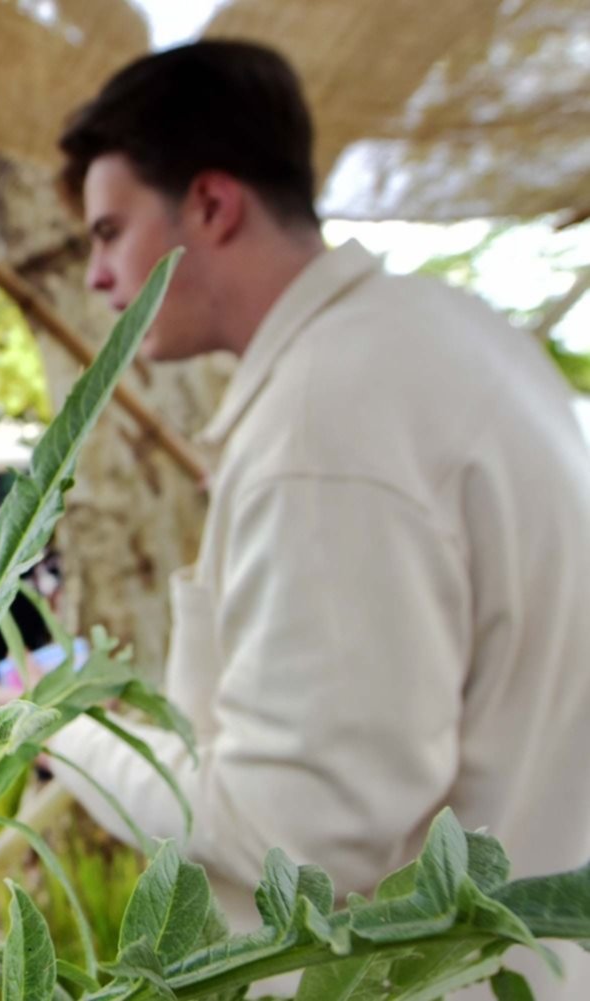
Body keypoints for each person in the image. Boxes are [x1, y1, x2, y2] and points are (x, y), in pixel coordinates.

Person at [43, 41, 590, 997]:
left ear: (211, 205)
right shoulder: (454, 335)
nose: (96, 275)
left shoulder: (324, 417)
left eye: (107, 231)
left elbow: (297, 838)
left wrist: (60, 731)